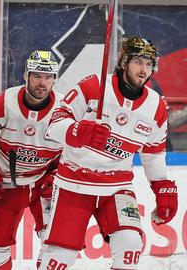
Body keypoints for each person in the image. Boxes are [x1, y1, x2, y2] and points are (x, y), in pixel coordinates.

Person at [39, 37, 178, 269]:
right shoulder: (94, 86)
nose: (144, 69)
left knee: (131, 244)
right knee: (58, 258)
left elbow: (153, 154)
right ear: (124, 62)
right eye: (138, 61)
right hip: (74, 184)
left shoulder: (156, 106)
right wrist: (78, 131)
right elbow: (54, 124)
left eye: (148, 63)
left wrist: (161, 188)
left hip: (117, 187)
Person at [0, 50, 63, 269]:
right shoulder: (1, 104)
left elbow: (74, 151)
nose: (42, 82)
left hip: (44, 182)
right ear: (25, 75)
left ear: (55, 79)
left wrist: (57, 176)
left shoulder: (65, 109)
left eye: (48, 76)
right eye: (36, 75)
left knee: (58, 246)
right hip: (5, 182)